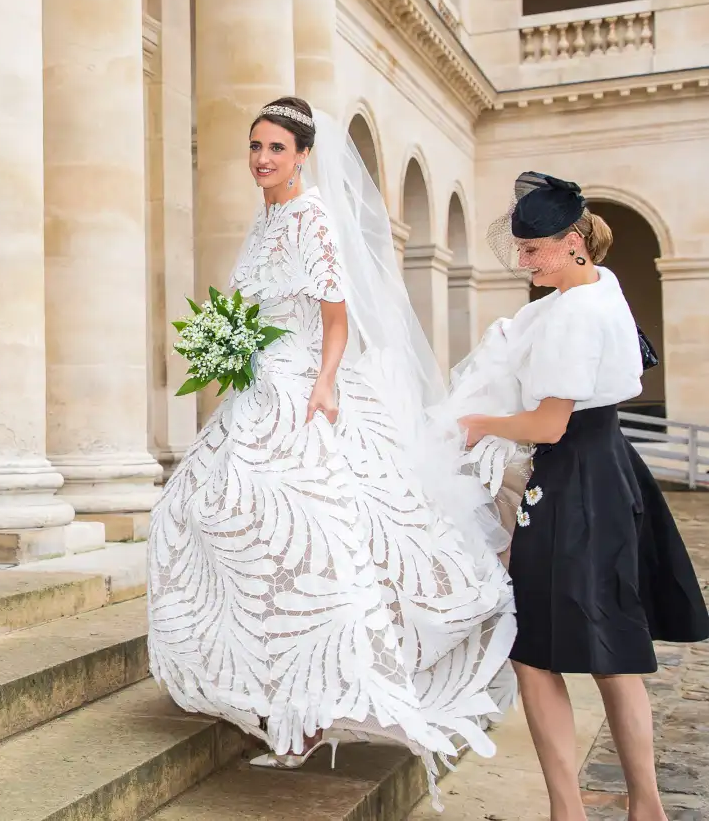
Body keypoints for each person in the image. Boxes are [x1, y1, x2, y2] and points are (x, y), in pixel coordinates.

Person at [148, 97, 517, 807]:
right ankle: (258, 679)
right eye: (255, 147)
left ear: (302, 154)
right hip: (258, 384)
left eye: (275, 149)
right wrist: (228, 346)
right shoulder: (264, 217)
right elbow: (251, 307)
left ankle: (310, 702)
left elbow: (336, 316)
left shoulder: (313, 216)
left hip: (303, 390)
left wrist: (322, 387)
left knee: (309, 538)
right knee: (200, 517)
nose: (261, 159)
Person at [458, 172, 709, 821]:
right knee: (612, 652)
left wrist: (479, 425)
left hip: (572, 481)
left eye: (532, 248)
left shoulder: (574, 312)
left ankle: (571, 811)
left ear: (572, 242)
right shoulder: (603, 287)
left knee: (535, 652)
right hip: (611, 469)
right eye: (519, 247)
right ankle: (643, 806)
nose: (522, 259)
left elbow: (548, 425)